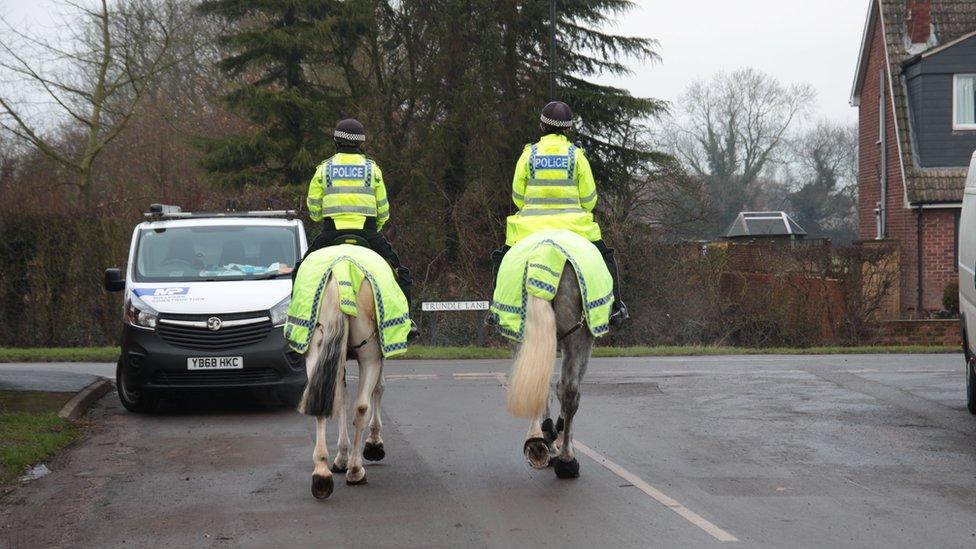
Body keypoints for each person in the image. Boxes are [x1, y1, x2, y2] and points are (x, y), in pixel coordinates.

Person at [492, 101, 629, 326]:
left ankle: (497, 310)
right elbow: (589, 200)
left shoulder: (528, 156)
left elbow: (518, 198)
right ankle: (615, 308)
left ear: (542, 126)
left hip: (529, 230)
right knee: (605, 257)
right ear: (568, 128)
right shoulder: (577, 157)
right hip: (574, 229)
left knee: (503, 258)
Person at [301, 118, 418, 337]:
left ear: (336, 141)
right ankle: (407, 323)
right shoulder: (372, 170)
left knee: (301, 270)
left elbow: (314, 211)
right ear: (360, 143)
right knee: (401, 273)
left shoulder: (323, 170)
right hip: (367, 233)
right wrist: (374, 227)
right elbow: (383, 211)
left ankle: (297, 323)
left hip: (331, 234)